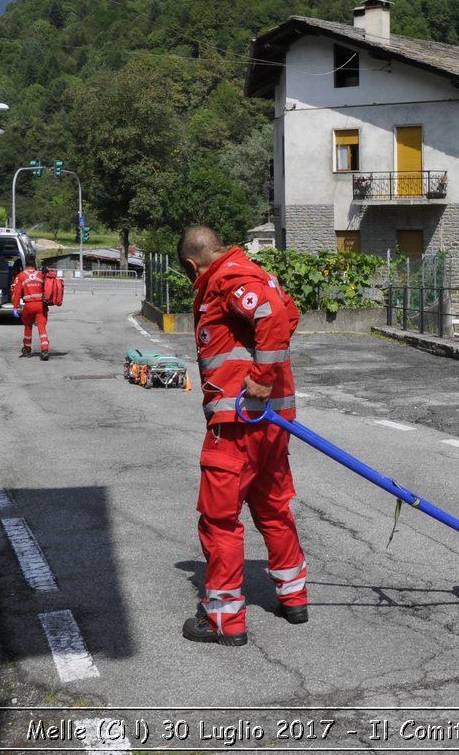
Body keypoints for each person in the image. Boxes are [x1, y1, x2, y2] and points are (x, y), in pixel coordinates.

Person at [178, 225, 308, 646]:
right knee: (272, 508)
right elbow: (289, 314)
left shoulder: (225, 278)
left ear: (191, 264)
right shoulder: (252, 270)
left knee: (220, 519)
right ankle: (293, 597)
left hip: (241, 422)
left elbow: (270, 313)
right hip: (272, 424)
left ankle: (224, 618)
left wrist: (261, 377)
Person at [10, 257, 50, 360]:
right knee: (42, 327)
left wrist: (15, 307)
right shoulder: (40, 275)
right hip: (41, 305)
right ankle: (45, 350)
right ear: (34, 264)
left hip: (28, 306)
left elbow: (17, 293)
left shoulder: (21, 276)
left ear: (25, 264)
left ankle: (27, 350)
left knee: (28, 327)